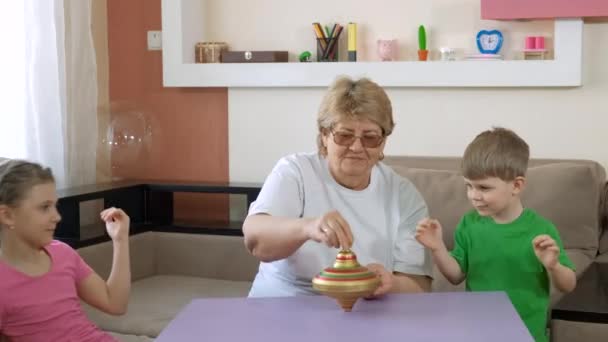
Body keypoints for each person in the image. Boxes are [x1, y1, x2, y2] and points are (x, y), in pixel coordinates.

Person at [243, 76, 432, 298]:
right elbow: (255, 240)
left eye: (370, 138)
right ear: (324, 135)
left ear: (383, 141)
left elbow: (419, 285)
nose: (356, 147)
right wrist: (308, 227)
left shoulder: (403, 194)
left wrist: (390, 284)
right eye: (344, 135)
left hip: (363, 310)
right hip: (283, 304)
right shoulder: (295, 171)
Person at [415, 127, 576, 342]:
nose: (474, 196)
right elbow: (455, 276)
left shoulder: (542, 230)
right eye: (468, 186)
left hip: (526, 335)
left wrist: (553, 266)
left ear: (516, 186)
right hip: (478, 333)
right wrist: (437, 248)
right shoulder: (469, 224)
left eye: (483, 187)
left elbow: (568, 285)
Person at [0, 159, 131, 342]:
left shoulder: (63, 253)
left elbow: (115, 303)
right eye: (44, 207)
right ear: (7, 215)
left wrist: (120, 239)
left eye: (55, 206)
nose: (57, 217)